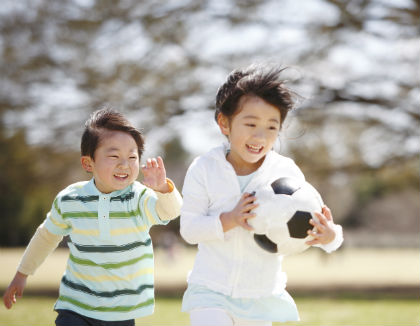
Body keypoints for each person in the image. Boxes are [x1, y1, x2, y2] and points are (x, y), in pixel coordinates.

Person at [180, 64, 343, 326]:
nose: (260, 136)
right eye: (251, 123)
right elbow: (189, 229)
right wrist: (230, 219)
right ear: (224, 122)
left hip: (260, 295)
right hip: (210, 289)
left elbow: (315, 225)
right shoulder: (204, 168)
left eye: (271, 127)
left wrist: (330, 236)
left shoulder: (285, 172)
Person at [3, 108, 183, 326]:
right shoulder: (70, 199)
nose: (124, 164)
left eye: (132, 157)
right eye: (114, 156)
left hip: (121, 311)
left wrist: (163, 188)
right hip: (76, 305)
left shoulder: (140, 197)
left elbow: (170, 212)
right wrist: (22, 273)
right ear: (89, 163)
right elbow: (46, 237)